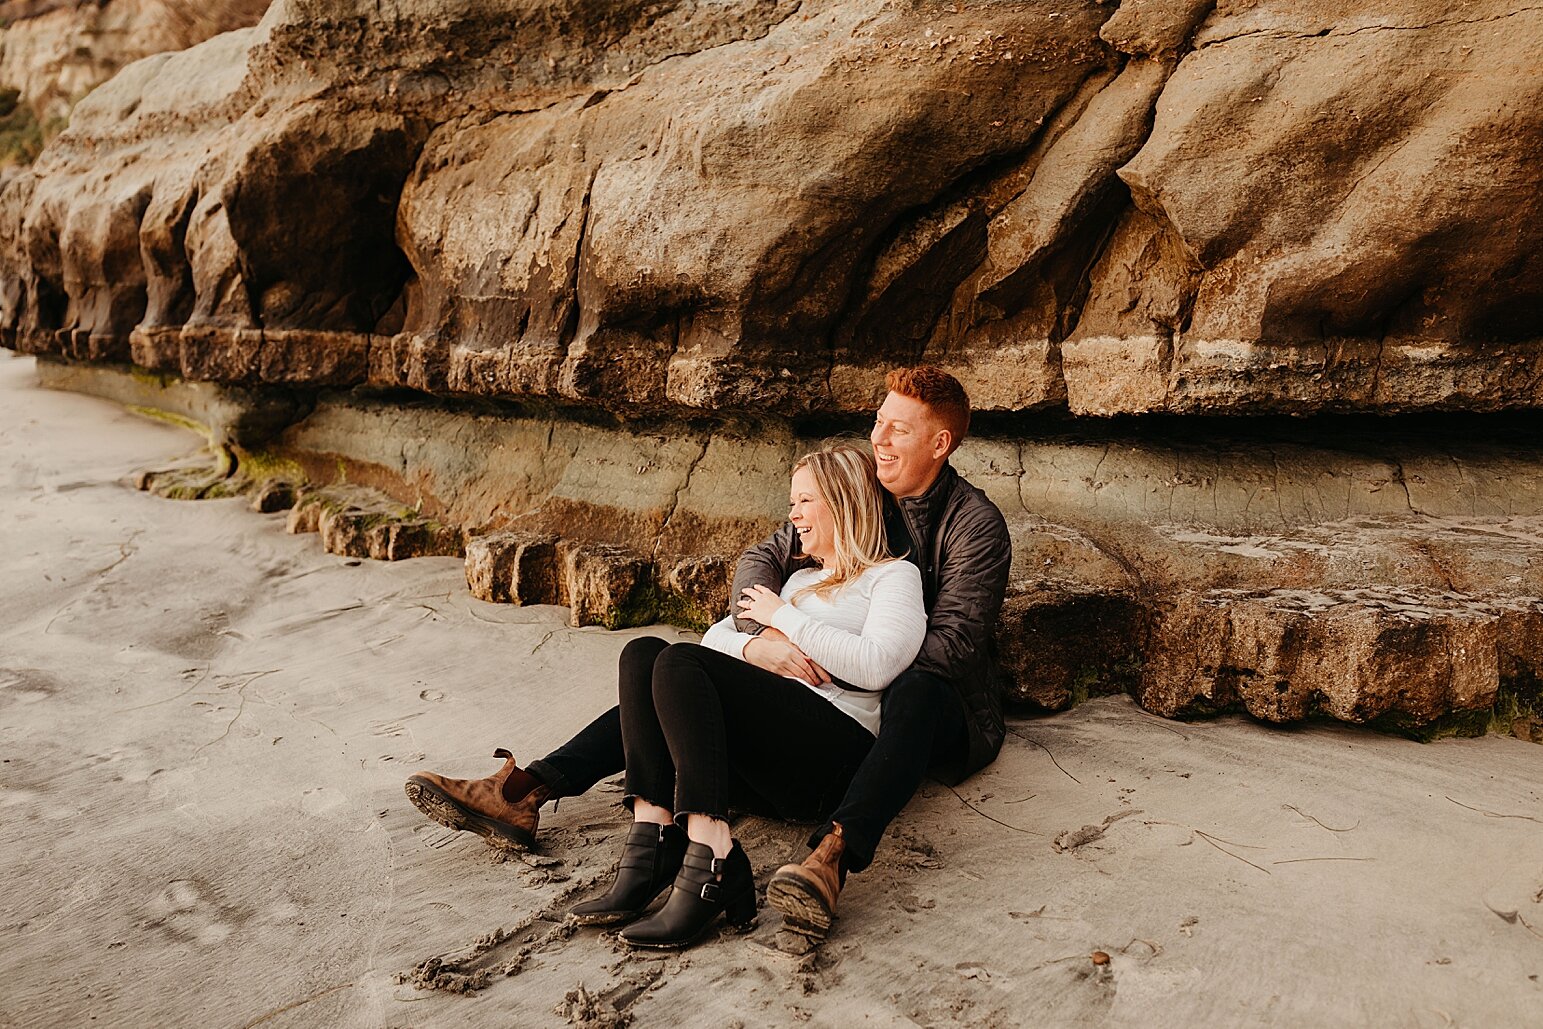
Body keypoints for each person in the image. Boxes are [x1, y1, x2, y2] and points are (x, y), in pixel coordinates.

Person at [404, 366, 1012, 942]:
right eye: (877, 422)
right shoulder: (854, 497)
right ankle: (537, 797)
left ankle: (831, 855)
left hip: (929, 705)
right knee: (656, 661)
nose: (878, 439)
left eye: (897, 430)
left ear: (939, 444)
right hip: (809, 688)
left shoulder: (968, 525)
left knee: (914, 691)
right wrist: (764, 642)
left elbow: (947, 645)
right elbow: (759, 567)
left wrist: (829, 660)